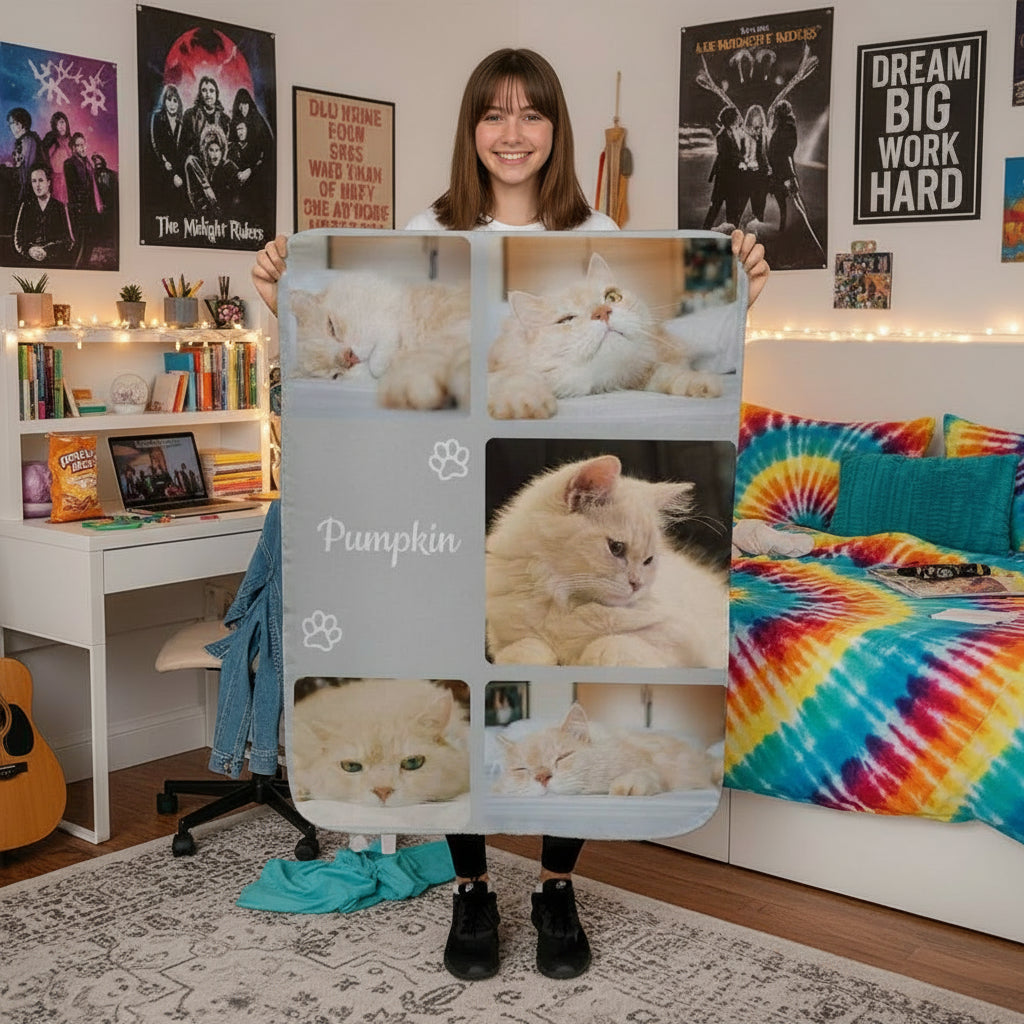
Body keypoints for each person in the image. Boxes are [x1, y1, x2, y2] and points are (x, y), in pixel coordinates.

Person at [252, 46, 768, 983]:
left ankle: (557, 886)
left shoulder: (597, 228)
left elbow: (667, 347)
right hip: (428, 492)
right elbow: (370, 357)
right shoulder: (432, 228)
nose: (513, 133)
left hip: (515, 466)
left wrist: (738, 287)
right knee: (448, 681)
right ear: (472, 129)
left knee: (562, 696)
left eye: (532, 115)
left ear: (556, 129)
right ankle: (472, 891)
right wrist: (281, 285)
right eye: (494, 114)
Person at [13, 162, 72, 265]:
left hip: (53, 262)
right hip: (29, 261)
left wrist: (47, 251)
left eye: (41, 180)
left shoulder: (59, 207)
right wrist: (29, 251)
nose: (37, 185)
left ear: (48, 182)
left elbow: (68, 241)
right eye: (34, 181)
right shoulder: (26, 206)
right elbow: (18, 239)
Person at [702, 105, 745, 230]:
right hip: (725, 178)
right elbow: (726, 156)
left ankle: (728, 231)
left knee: (729, 208)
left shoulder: (730, 132)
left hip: (728, 177)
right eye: (736, 116)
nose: (738, 119)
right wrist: (740, 162)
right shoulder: (723, 135)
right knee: (717, 206)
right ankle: (706, 230)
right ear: (731, 118)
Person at [64, 131, 103, 267]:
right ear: (73, 148)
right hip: (79, 209)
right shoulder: (69, 163)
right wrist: (80, 206)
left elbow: (92, 185)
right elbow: (73, 188)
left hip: (89, 208)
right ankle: (76, 267)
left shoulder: (87, 163)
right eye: (78, 145)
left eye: (83, 144)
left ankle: (83, 266)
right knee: (79, 242)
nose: (82, 148)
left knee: (89, 242)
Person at [41, 111, 74, 206]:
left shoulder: (71, 140)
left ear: (66, 123)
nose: (60, 126)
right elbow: (44, 157)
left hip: (69, 180)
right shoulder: (51, 138)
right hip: (56, 180)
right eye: (57, 124)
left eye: (62, 122)